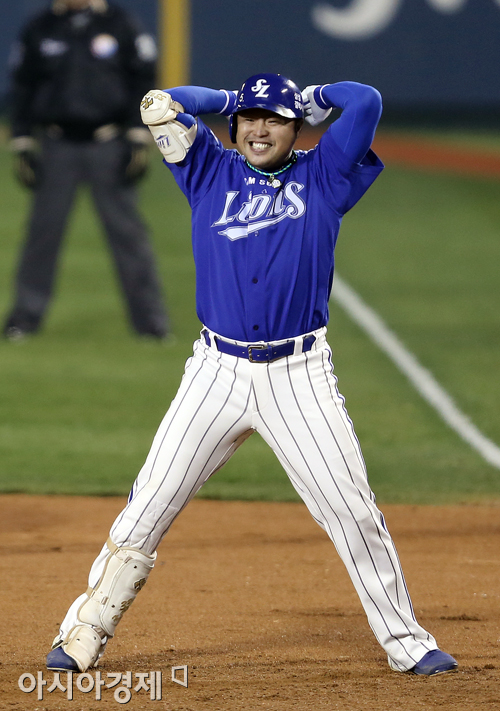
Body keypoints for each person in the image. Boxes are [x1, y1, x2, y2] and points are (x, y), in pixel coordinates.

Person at [45, 73, 458, 677]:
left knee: (352, 512)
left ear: (298, 130)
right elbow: (162, 105)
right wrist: (224, 102)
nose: (260, 128)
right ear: (234, 127)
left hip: (298, 376)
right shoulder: (205, 169)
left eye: (277, 119)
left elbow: (366, 99)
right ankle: (84, 631)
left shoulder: (325, 175)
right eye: (250, 118)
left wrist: (315, 99)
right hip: (215, 373)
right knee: (148, 507)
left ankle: (406, 641)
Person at [3, 0, 169, 340]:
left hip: (108, 143)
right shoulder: (41, 27)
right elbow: (22, 85)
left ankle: (151, 324)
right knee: (42, 236)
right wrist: (21, 140)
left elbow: (144, 80)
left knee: (129, 237)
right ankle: (24, 319)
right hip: (55, 145)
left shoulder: (121, 23)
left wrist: (139, 137)